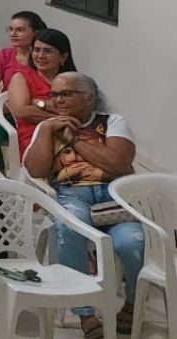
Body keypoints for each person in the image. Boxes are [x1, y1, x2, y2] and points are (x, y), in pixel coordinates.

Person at [23, 73, 142, 338]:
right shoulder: (48, 127)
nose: (58, 100)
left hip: (113, 195)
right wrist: (46, 130)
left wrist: (74, 140)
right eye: (54, 95)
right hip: (71, 193)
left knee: (133, 242)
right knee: (69, 229)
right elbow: (36, 169)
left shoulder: (112, 122)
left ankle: (133, 303)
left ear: (89, 98)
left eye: (66, 94)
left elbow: (118, 164)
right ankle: (85, 313)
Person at [0, 11, 48, 165]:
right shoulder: (5, 55)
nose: (13, 34)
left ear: (35, 32)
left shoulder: (40, 58)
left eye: (20, 30)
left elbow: (34, 97)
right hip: (4, 110)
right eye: (10, 29)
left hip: (29, 110)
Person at [7, 28, 76, 160]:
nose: (40, 55)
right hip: (34, 138)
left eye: (48, 51)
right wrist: (60, 118)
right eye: (37, 50)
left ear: (63, 57)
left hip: (72, 133)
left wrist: (39, 103)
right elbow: (22, 111)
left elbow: (80, 110)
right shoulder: (21, 77)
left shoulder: (72, 80)